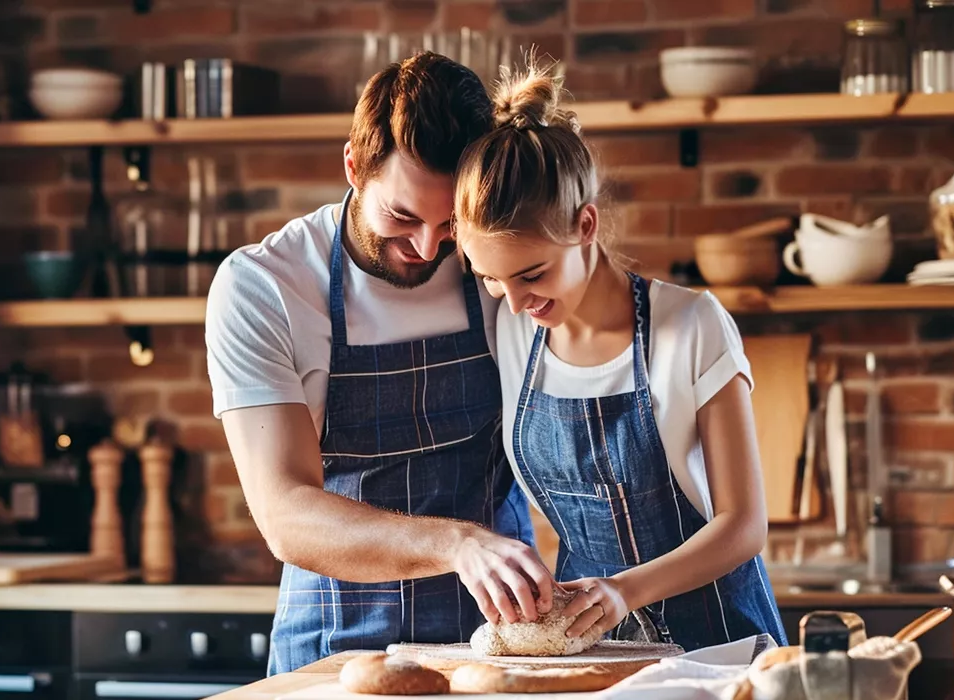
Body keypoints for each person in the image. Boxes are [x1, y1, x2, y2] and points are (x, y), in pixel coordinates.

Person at [205, 52, 554, 676]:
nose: (427, 249)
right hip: (334, 650)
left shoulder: (493, 264)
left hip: (502, 643)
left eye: (450, 223)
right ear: (353, 167)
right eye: (402, 216)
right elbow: (285, 512)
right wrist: (457, 542)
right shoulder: (265, 285)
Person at [451, 56, 789, 652]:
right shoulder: (513, 329)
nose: (515, 299)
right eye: (490, 278)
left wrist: (624, 592)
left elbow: (743, 527)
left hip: (720, 647)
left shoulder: (690, 326)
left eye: (532, 273)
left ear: (586, 225)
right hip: (599, 650)